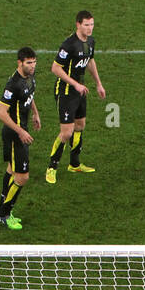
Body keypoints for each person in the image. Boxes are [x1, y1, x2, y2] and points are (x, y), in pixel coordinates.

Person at [46, 11, 106, 183]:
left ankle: (74, 164)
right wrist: (75, 84)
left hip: (80, 90)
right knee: (66, 133)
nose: (90, 28)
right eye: (86, 25)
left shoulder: (91, 42)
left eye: (92, 24)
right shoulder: (69, 44)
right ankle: (51, 167)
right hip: (66, 91)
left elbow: (90, 61)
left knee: (80, 125)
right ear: (78, 24)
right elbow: (55, 68)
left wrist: (98, 84)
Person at [0, 47, 39, 230]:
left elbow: (29, 96)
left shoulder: (29, 78)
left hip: (21, 132)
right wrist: (20, 131)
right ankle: (4, 213)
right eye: (28, 63)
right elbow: (0, 112)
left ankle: (2, 206)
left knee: (12, 170)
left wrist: (36, 113)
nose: (32, 66)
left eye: (34, 62)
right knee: (23, 178)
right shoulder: (13, 84)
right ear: (19, 63)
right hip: (15, 136)